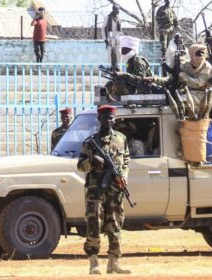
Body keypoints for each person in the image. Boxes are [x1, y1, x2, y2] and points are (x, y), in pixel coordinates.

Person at [77, 105, 130, 275]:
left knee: (115, 224)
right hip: (95, 191)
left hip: (115, 190)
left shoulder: (121, 139)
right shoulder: (90, 142)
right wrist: (92, 160)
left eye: (111, 118)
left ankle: (113, 262)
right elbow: (80, 166)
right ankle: (94, 263)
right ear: (99, 119)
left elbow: (126, 161)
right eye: (106, 117)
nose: (109, 120)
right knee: (94, 224)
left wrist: (123, 177)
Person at [178, 43, 212, 120]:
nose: (201, 56)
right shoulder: (187, 65)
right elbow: (176, 76)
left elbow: (198, 84)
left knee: (181, 101)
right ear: (192, 55)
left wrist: (185, 77)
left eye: (203, 54)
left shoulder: (206, 66)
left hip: (203, 95)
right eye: (198, 54)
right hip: (189, 92)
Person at [102, 5, 122, 70]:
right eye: (116, 10)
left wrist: (120, 38)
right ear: (113, 10)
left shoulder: (119, 18)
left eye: (118, 10)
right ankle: (110, 66)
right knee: (110, 52)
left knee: (119, 52)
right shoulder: (107, 17)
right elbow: (103, 28)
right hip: (110, 38)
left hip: (117, 38)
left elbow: (120, 30)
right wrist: (105, 39)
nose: (118, 11)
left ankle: (118, 66)